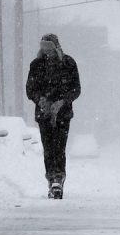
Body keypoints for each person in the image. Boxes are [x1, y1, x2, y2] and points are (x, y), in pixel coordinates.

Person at [25, 33, 81, 199]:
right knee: (48, 148)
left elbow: (76, 88)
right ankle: (51, 178)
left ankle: (58, 178)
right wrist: (40, 100)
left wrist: (62, 101)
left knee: (59, 147)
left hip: (63, 115)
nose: (47, 52)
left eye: (49, 48)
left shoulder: (68, 63)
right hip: (43, 114)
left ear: (56, 47)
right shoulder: (36, 65)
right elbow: (30, 89)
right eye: (44, 48)